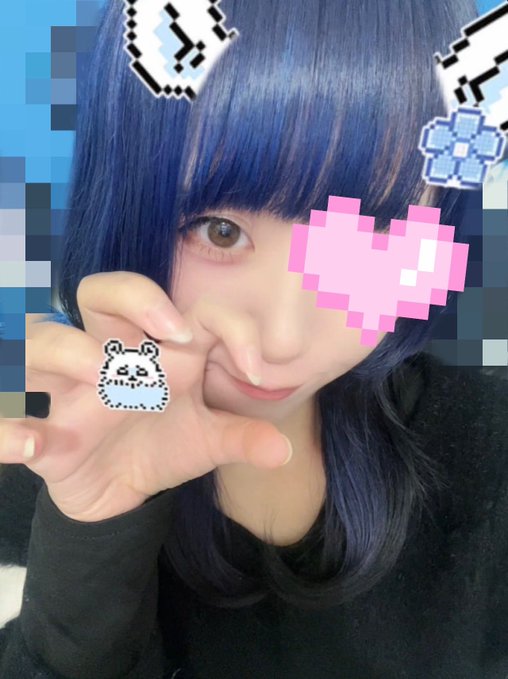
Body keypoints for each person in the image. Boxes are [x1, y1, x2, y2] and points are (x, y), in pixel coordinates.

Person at [1, 0, 507, 677]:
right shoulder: (41, 448)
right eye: (220, 230)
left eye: (375, 239)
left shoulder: (487, 450)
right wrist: (91, 536)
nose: (282, 338)